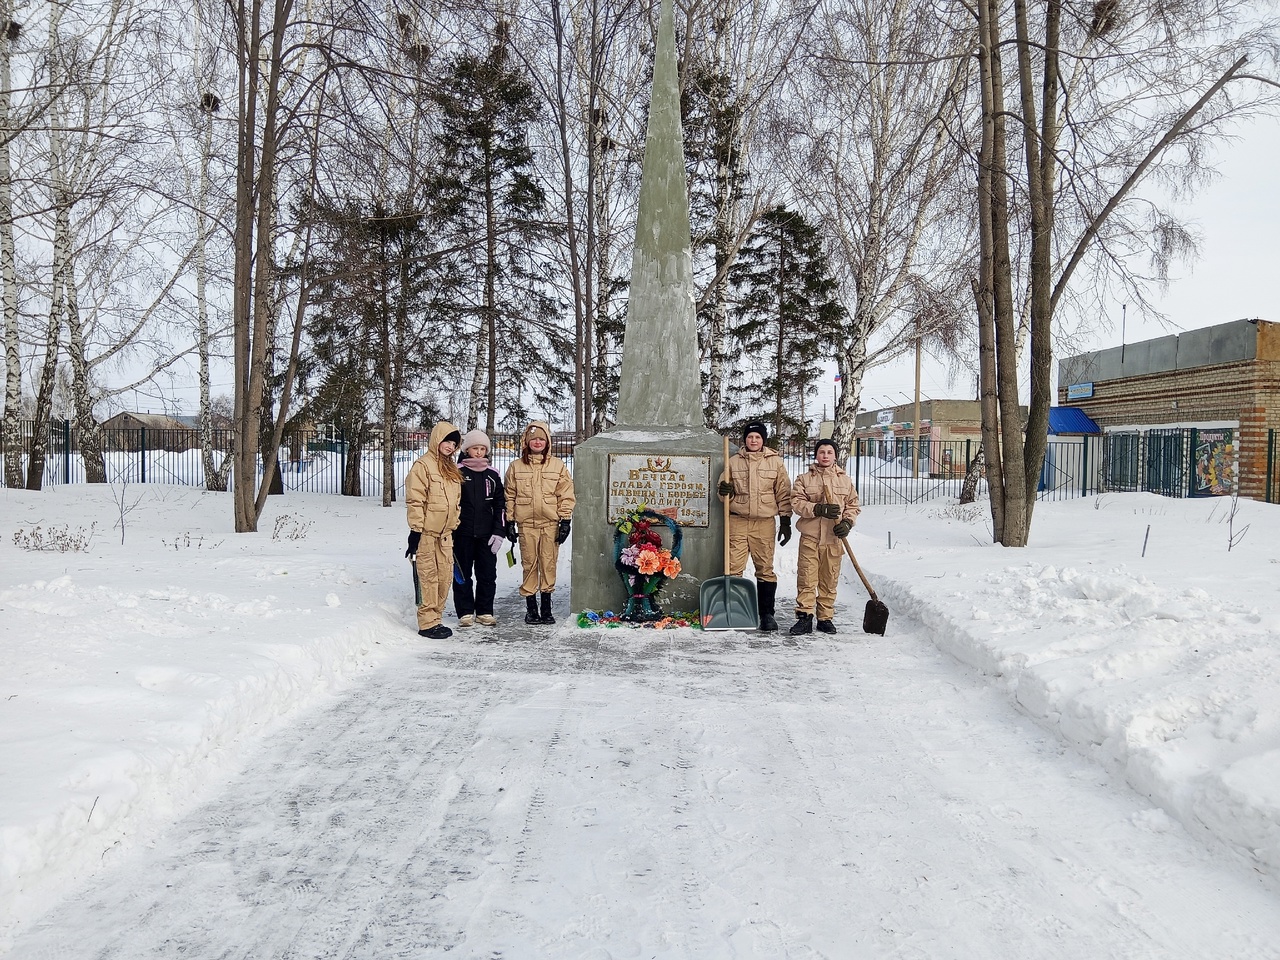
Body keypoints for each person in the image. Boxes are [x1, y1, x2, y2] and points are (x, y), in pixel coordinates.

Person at [716, 420, 792, 631]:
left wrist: (785, 520)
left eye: (758, 437)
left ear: (763, 440)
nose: (754, 440)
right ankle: (733, 612)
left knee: (765, 569)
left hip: (764, 523)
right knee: (732, 568)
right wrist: (725, 492)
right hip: (738, 521)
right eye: (750, 437)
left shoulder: (775, 462)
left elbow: (783, 492)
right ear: (745, 440)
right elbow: (722, 494)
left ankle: (767, 614)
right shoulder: (732, 462)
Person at [504, 420, 575, 625]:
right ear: (526, 441)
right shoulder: (516, 467)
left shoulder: (557, 466)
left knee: (548, 563)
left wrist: (565, 520)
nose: (537, 442)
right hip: (526, 525)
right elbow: (510, 495)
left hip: (550, 524)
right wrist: (509, 521)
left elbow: (566, 494)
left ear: (547, 442)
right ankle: (531, 608)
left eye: (541, 439)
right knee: (530, 564)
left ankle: (546, 607)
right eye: (533, 438)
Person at [789, 438, 861, 635]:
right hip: (810, 537)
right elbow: (796, 503)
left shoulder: (845, 481)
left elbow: (853, 506)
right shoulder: (804, 479)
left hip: (833, 538)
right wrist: (817, 508)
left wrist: (847, 523)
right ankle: (804, 617)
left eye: (830, 452)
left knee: (829, 579)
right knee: (807, 577)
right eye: (822, 452)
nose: (826, 456)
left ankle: (825, 618)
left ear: (835, 455)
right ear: (816, 455)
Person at [405, 421, 463, 639]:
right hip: (427, 534)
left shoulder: (451, 468)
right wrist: (416, 531)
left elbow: (455, 501)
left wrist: (454, 525)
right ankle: (427, 623)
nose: (449, 446)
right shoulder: (423, 466)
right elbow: (415, 500)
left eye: (453, 443)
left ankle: (436, 618)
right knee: (428, 578)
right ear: (437, 440)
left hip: (446, 535)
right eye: (446, 441)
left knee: (444, 577)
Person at [454, 429, 506, 628]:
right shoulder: (457, 473)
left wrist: (499, 532)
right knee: (462, 574)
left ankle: (484, 611)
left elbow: (500, 504)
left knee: (487, 575)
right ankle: (465, 611)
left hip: (487, 535)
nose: (478, 452)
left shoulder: (492, 475)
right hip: (463, 534)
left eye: (482, 449)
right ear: (467, 450)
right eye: (475, 448)